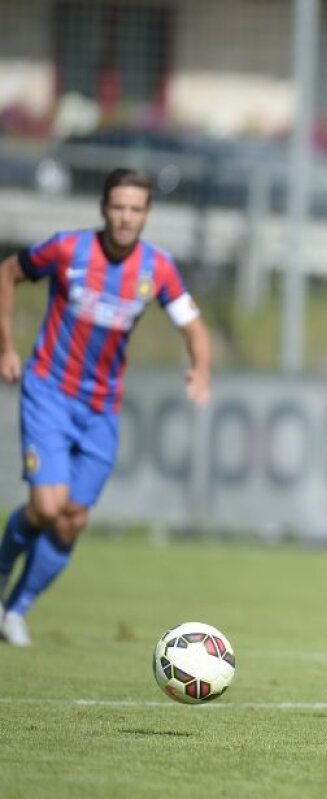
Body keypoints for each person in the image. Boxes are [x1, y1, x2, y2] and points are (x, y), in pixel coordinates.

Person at [0, 167, 211, 646]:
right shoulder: (66, 250)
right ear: (103, 208)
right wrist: (5, 347)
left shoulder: (157, 269)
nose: (125, 218)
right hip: (49, 390)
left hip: (101, 407)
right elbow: (8, 273)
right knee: (47, 505)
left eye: (136, 209)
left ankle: (16, 610)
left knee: (73, 517)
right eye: (118, 207)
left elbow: (193, 327)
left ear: (147, 214)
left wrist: (201, 369)